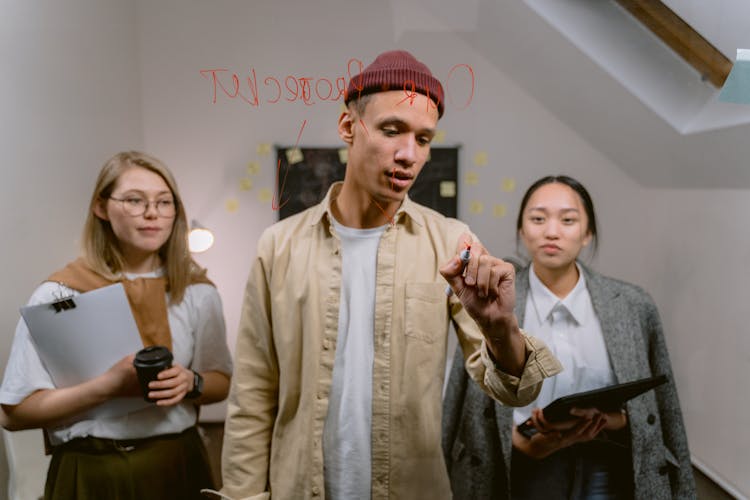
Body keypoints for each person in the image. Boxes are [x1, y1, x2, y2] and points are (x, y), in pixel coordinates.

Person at [220, 50, 562, 500]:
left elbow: (514, 391)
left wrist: (501, 329)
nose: (409, 154)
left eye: (424, 139)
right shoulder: (279, 246)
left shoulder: (451, 242)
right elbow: (252, 395)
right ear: (348, 127)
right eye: (391, 130)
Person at [442, 175, 696, 499]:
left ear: (587, 233)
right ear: (522, 230)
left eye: (568, 220)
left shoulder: (633, 305)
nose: (552, 231)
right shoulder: (490, 300)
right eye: (537, 218)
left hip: (608, 464)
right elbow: (462, 401)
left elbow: (661, 410)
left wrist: (610, 420)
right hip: (513, 464)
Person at [0, 151, 233, 500]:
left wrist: (191, 381)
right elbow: (14, 414)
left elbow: (220, 382)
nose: (152, 213)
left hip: (176, 462)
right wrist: (108, 386)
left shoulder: (197, 293)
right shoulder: (59, 295)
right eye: (135, 200)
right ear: (101, 207)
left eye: (164, 202)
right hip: (91, 470)